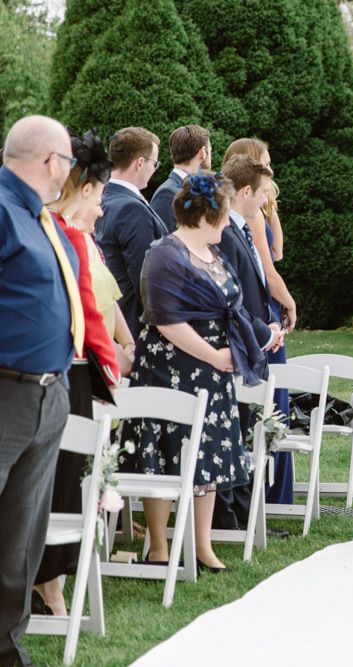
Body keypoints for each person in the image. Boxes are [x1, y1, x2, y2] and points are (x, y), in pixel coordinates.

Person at [118, 171, 283, 572]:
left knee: (209, 454)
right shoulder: (164, 253)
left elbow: (233, 306)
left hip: (214, 371)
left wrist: (258, 336)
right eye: (224, 216)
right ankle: (158, 546)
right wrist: (213, 355)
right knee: (160, 453)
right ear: (206, 216)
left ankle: (202, 545)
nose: (228, 223)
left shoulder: (216, 254)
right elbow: (164, 320)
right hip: (169, 367)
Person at [0, 115, 79, 667]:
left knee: (21, 540)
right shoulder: (3, 212)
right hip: (5, 393)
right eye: (68, 162)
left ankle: (7, 648)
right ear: (51, 161)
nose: (68, 174)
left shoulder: (44, 219)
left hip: (49, 396)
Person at [33, 129, 123, 616]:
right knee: (60, 477)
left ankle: (48, 584)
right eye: (101, 196)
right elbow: (85, 310)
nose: (102, 209)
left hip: (79, 372)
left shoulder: (72, 235)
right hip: (65, 372)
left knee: (68, 476)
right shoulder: (62, 234)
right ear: (85, 188)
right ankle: (48, 587)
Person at [222, 138, 295, 506]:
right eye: (265, 164)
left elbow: (277, 250)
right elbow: (268, 269)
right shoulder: (238, 220)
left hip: (261, 317)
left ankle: (269, 495)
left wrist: (270, 208)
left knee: (272, 403)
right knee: (264, 404)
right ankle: (263, 497)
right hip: (257, 318)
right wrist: (287, 304)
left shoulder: (256, 211)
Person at [213, 154, 280, 529]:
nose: (264, 201)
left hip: (252, 340)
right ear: (245, 191)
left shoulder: (240, 229)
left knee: (247, 429)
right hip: (238, 344)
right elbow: (231, 298)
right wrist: (263, 332)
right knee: (237, 430)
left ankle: (246, 513)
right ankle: (231, 516)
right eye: (262, 193)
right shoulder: (226, 232)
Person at [95, 127, 168, 338]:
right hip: (138, 328)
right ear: (139, 162)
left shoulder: (104, 198)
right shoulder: (131, 208)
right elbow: (145, 278)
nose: (155, 169)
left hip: (117, 322)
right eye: (155, 163)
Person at [150, 124, 212, 233]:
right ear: (202, 152)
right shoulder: (167, 194)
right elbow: (163, 242)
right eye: (210, 150)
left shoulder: (195, 188)